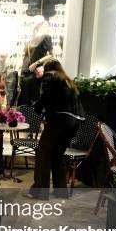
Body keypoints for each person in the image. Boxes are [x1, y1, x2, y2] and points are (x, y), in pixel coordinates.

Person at [28, 60, 85, 200]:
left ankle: (39, 192)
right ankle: (61, 191)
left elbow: (46, 96)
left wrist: (37, 107)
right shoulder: (66, 79)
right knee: (57, 154)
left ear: (47, 68)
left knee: (43, 153)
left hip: (60, 118)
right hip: (75, 120)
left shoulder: (49, 76)